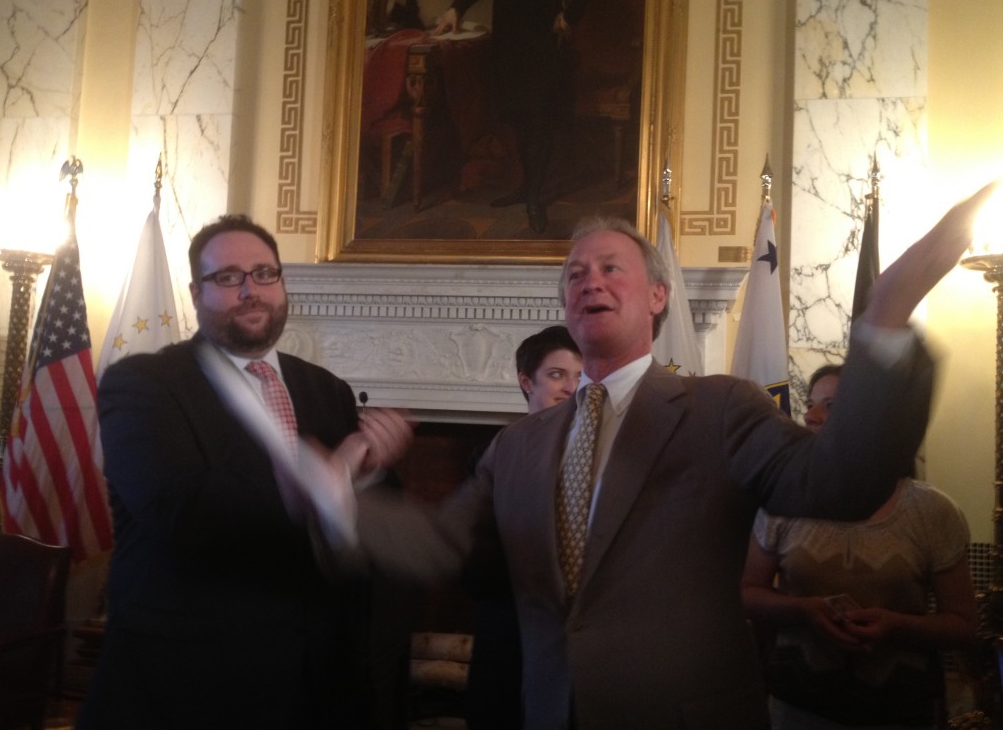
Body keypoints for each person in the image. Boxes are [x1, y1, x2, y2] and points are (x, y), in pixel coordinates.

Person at [283, 180, 1001, 729]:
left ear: (658, 296)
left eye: (610, 268)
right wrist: (338, 494)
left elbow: (839, 484)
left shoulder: (720, 409)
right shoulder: (518, 445)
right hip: (550, 712)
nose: (588, 279)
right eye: (574, 273)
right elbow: (436, 547)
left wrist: (886, 318)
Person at [78, 215, 413, 729]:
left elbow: (354, 523)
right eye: (229, 277)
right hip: (186, 684)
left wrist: (369, 471)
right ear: (196, 292)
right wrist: (328, 476)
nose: (251, 291)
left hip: (311, 684)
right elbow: (180, 510)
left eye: (265, 274)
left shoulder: (327, 391)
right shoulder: (143, 386)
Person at [741, 363, 977, 729]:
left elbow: (963, 625)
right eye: (812, 403)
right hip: (800, 707)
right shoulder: (782, 502)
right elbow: (746, 592)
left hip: (901, 711)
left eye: (832, 406)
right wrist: (803, 609)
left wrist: (895, 626)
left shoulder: (931, 511)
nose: (811, 416)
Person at [464, 324, 582, 730]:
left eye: (580, 376)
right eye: (557, 375)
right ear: (526, 382)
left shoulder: (598, 463)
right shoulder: (493, 456)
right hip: (508, 640)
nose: (571, 387)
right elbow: (473, 566)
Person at [433, 0, 599, 234]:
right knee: (517, 116)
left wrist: (570, 16)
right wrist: (457, 8)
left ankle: (534, 196)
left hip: (544, 39)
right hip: (509, 41)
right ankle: (526, 187)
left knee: (538, 117)